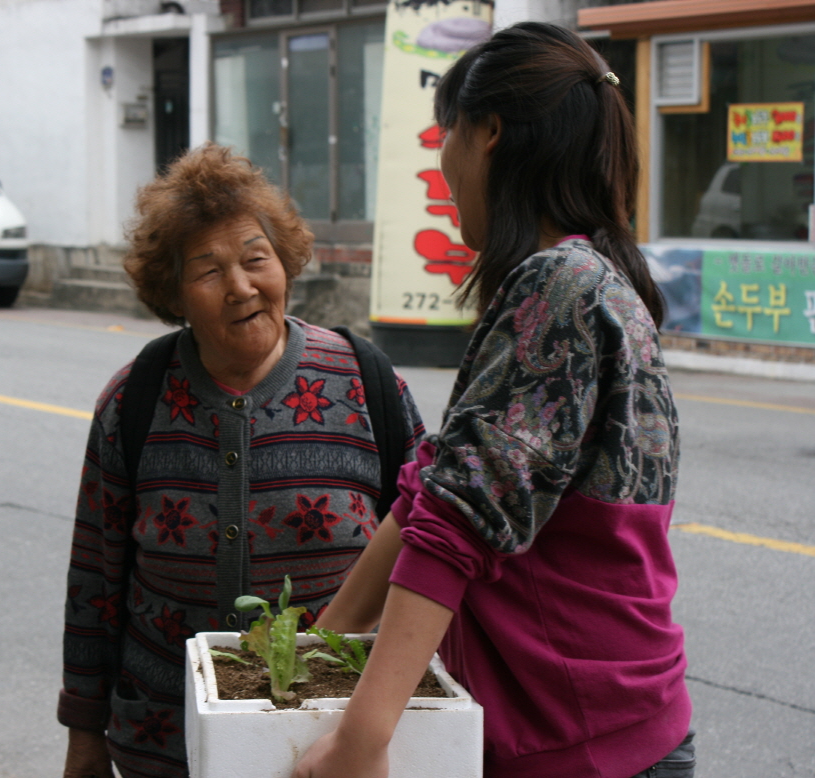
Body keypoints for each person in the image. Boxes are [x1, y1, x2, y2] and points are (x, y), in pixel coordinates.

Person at [293, 22, 694, 778]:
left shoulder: (559, 289)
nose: (440, 163)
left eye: (448, 131)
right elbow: (437, 488)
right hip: (598, 729)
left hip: (584, 746)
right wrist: (317, 645)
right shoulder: (591, 277)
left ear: (490, 134)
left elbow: (455, 522)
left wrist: (360, 738)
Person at [59, 144, 427, 778]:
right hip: (163, 743)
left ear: (283, 262)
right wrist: (84, 736)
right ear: (172, 292)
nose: (240, 287)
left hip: (323, 745)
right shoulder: (134, 398)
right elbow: (94, 582)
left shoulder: (367, 384)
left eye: (257, 260)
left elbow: (429, 552)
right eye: (207, 271)